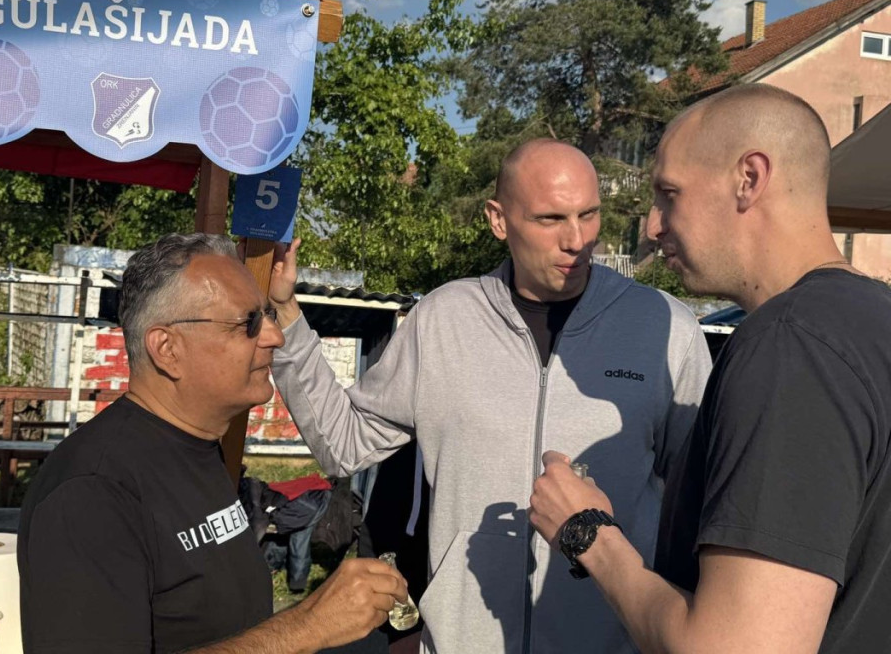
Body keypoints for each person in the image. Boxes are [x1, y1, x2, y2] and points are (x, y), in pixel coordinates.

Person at [268, 140, 712, 653]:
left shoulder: (664, 328)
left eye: (588, 215)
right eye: (550, 219)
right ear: (499, 220)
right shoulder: (442, 321)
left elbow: (702, 503)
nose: (577, 240)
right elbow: (343, 443)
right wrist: (286, 316)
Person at [529, 83, 891, 652]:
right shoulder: (872, 321)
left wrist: (588, 535)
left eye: (669, 194)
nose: (653, 225)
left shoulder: (789, 347)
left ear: (749, 178)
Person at [17, 233, 407, 654]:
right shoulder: (92, 492)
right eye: (248, 323)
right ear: (167, 349)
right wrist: (305, 628)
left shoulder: (197, 448)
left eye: (268, 316)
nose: (274, 337)